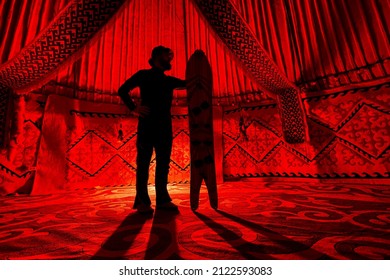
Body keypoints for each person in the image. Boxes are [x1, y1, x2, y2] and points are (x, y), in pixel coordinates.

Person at [118, 46, 186, 214]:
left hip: (164, 126)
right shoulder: (143, 75)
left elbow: (188, 84)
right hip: (147, 125)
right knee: (143, 164)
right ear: (156, 57)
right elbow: (122, 90)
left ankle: (162, 200)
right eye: (166, 56)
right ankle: (142, 201)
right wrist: (133, 108)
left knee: (163, 164)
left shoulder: (168, 81)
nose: (169, 60)